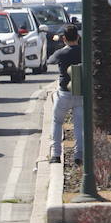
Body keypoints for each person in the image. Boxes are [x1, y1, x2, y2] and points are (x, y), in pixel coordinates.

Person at [48, 25, 83, 165]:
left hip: (63, 94)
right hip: (80, 94)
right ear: (78, 37)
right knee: (79, 126)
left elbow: (50, 60)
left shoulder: (61, 53)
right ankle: (78, 157)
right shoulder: (83, 51)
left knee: (57, 122)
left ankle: (55, 155)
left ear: (64, 38)